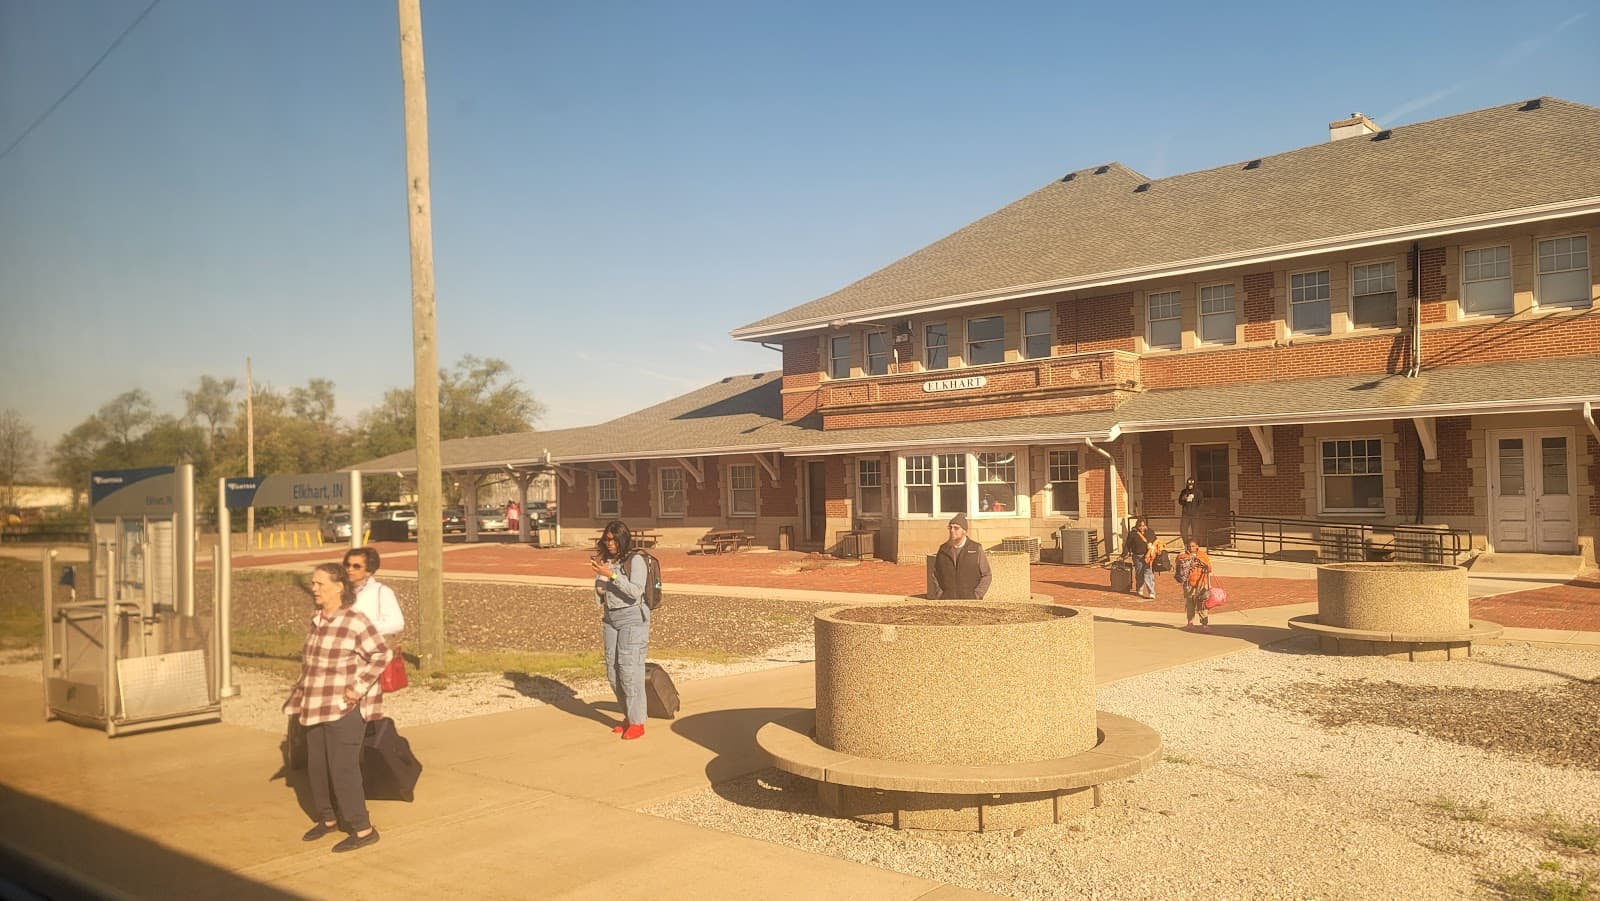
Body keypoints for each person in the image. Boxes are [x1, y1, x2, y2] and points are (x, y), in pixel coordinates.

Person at [283, 562, 392, 853]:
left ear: (339, 586)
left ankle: (363, 829)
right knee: (317, 768)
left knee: (343, 770)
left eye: (319, 584)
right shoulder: (317, 620)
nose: (314, 588)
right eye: (313, 584)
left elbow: (382, 655)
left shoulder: (355, 620)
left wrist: (357, 689)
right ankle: (328, 819)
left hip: (343, 708)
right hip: (314, 705)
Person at [589, 519, 652, 740]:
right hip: (610, 618)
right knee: (613, 672)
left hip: (633, 618)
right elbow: (601, 589)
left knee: (629, 670)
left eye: (614, 540)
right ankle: (627, 716)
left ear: (622, 539)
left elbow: (636, 591)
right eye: (607, 540)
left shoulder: (636, 560)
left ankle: (637, 722)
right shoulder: (606, 560)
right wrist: (600, 581)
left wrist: (611, 576)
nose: (610, 544)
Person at [344, 547, 405, 644]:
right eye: (347, 565)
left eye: (356, 566)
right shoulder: (337, 590)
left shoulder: (381, 592)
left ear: (369, 571)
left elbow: (397, 624)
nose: (349, 569)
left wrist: (363, 627)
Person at [930, 513, 992, 600]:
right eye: (950, 528)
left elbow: (986, 575)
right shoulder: (943, 549)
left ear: (964, 531)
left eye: (956, 528)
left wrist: (977, 595)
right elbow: (935, 575)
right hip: (947, 601)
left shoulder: (976, 548)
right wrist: (940, 594)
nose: (952, 530)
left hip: (970, 601)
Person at [1173, 539, 1213, 632]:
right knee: (1190, 604)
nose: (1191, 548)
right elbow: (1178, 566)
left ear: (1197, 546)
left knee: (1202, 605)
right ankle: (1190, 622)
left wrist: (1202, 565)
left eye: (1193, 546)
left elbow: (1210, 568)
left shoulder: (1203, 555)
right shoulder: (1183, 556)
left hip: (1201, 583)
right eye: (1189, 546)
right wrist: (1187, 562)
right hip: (1189, 584)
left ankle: (1204, 624)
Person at [1125, 516, 1160, 599]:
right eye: (1140, 526)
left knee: (1148, 573)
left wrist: (1152, 548)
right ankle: (1139, 588)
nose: (1142, 527)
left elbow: (1155, 541)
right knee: (1139, 573)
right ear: (1137, 526)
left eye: (1143, 526)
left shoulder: (1150, 532)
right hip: (1137, 556)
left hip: (1148, 555)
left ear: (1146, 526)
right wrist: (1124, 554)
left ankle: (1151, 592)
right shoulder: (1133, 533)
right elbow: (1128, 544)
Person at [1178, 478, 1204, 547]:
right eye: (1189, 484)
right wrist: (1184, 498)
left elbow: (1201, 503)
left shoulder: (1198, 492)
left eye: (1192, 485)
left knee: (1195, 532)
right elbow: (1180, 502)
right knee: (1183, 529)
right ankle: (1186, 544)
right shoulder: (1184, 492)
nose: (1190, 486)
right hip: (1186, 515)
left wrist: (1197, 511)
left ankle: (1194, 546)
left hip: (1195, 515)